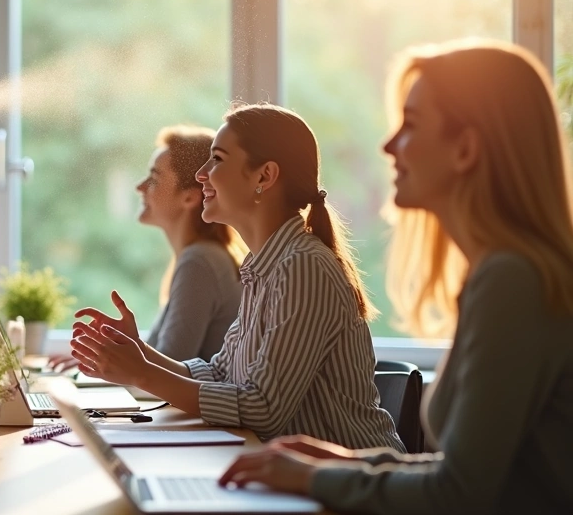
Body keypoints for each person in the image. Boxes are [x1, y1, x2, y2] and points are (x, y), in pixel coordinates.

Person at [218, 41, 573, 514]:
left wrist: (318, 479)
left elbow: (458, 494)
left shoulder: (511, 282)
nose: (388, 145)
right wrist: (342, 464)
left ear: (465, 149)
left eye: (411, 125)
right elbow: (465, 473)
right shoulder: (503, 274)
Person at [72, 104, 403, 451]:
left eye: (217, 158)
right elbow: (219, 374)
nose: (202, 175)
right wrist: (138, 352)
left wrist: (141, 372)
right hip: (294, 479)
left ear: (264, 176)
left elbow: (263, 409)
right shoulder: (266, 266)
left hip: (347, 490)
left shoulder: (303, 266)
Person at [48, 125, 244, 374]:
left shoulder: (199, 261)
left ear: (189, 197)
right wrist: (99, 358)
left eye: (154, 178)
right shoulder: (200, 257)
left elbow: (168, 368)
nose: (140, 187)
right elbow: (158, 358)